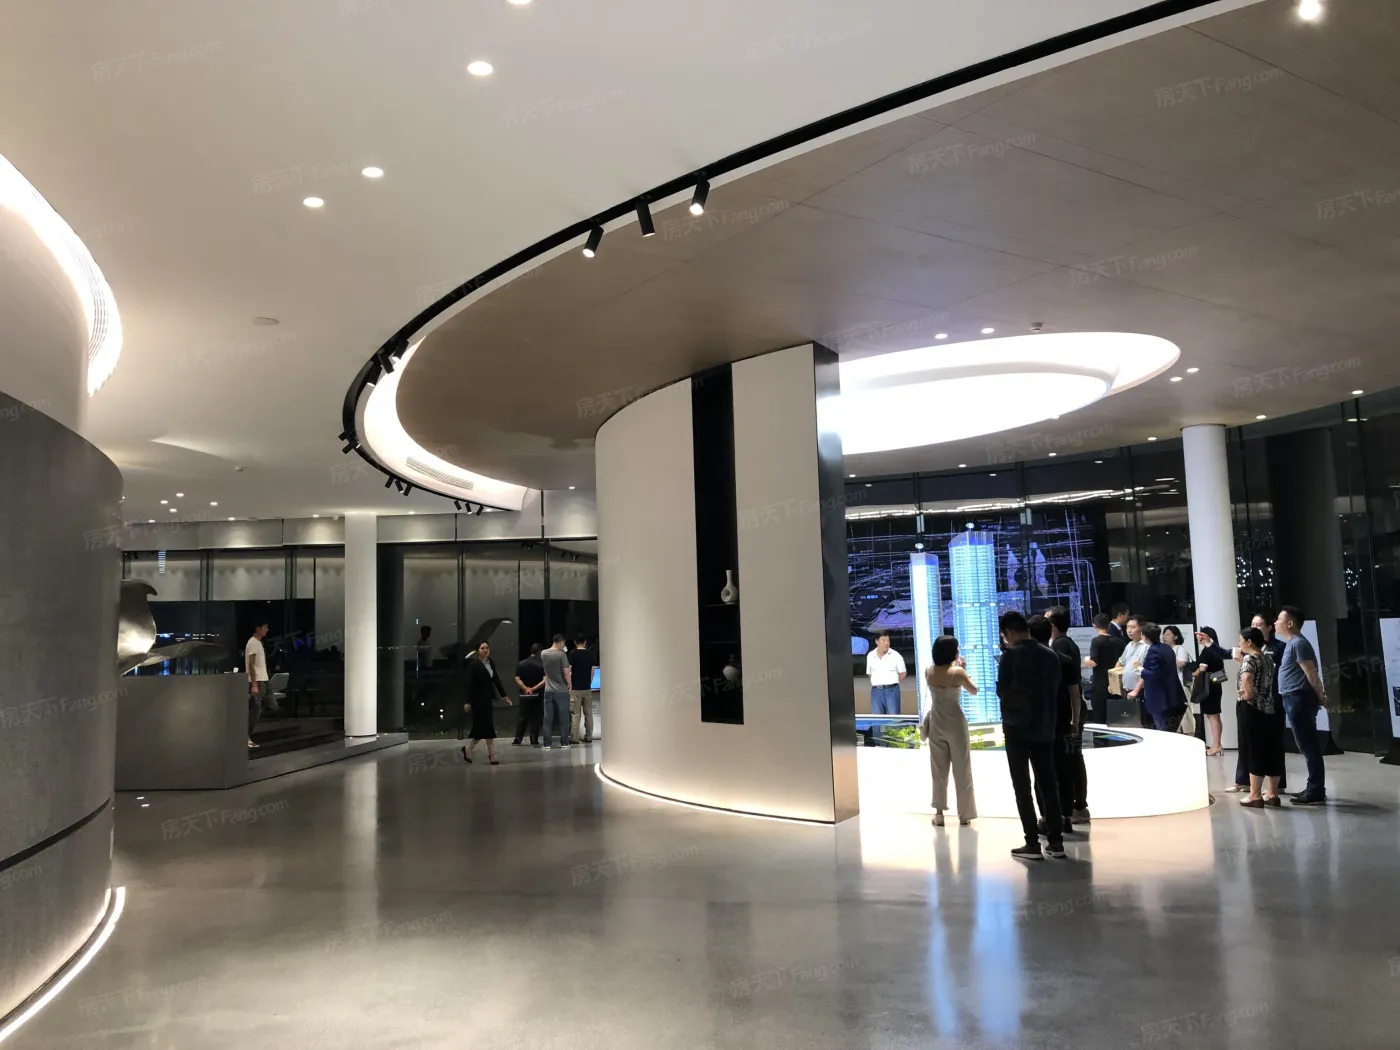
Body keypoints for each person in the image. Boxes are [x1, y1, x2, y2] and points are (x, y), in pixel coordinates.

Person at [997, 612, 1065, 861]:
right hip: (1045, 726)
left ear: (1008, 632)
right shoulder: (1050, 655)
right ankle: (1056, 842)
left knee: (1022, 786)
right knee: (1048, 784)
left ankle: (1032, 843)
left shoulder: (1010, 656)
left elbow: (1001, 690)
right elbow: (1055, 687)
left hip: (1016, 727)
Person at [918, 635, 977, 827]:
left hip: (936, 722)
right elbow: (974, 690)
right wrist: (964, 669)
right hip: (956, 724)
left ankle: (939, 813)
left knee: (938, 770)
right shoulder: (958, 672)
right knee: (962, 769)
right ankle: (965, 815)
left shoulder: (929, 671)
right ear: (953, 651)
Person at [1275, 606, 1328, 805]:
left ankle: (1315, 789)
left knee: (1309, 746)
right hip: (1293, 699)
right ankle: (1313, 787)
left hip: (1299, 699)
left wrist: (1321, 696)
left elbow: (1311, 674)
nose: (1275, 623)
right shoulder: (1293, 643)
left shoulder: (1299, 643)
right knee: (1306, 745)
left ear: (1290, 623)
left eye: (1279, 619)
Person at [1230, 614, 1288, 794]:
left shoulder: (1250, 658)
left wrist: (1247, 693)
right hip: (1267, 706)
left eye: (1241, 640)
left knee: (1252, 747)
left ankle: (1254, 793)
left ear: (1248, 642)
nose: (1239, 644)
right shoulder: (1267, 658)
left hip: (1251, 707)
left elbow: (1247, 677)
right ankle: (1272, 791)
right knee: (1270, 747)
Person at [1045, 606, 1088, 826]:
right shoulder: (1068, 643)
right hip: (1074, 708)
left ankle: (1076, 806)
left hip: (1069, 710)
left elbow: (1068, 685)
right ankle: (1078, 805)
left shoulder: (1059, 646)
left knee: (1070, 759)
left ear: (1053, 624)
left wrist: (1073, 717)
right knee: (1073, 756)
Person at [1128, 622, 1187, 731]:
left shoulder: (1153, 651)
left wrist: (1139, 668)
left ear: (1144, 636)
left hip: (1160, 699)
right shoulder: (1167, 648)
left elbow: (1152, 674)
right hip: (1173, 695)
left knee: (1163, 730)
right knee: (1170, 729)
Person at [461, 641, 511, 765]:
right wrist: (467, 701)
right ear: (478, 651)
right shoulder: (474, 665)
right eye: (482, 648)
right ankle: (489, 754)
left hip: (487, 699)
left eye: (487, 648)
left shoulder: (491, 663)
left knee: (484, 728)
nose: (485, 650)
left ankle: (470, 749)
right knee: (484, 727)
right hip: (477, 700)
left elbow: (496, 680)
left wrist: (504, 695)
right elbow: (470, 684)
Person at [1192, 626, 1228, 755]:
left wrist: (1194, 672)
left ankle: (1216, 744)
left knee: (1212, 716)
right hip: (1215, 685)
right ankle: (1217, 744)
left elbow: (1201, 669)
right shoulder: (1215, 651)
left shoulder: (1207, 651)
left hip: (1208, 687)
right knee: (1214, 715)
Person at [1084, 612, 1125, 725]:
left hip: (1100, 685)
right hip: (1116, 684)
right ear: (1109, 624)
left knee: (1100, 719)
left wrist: (1086, 660)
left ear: (1094, 625)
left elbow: (1094, 662)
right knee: (1116, 719)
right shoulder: (1120, 642)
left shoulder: (1096, 641)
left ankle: (1100, 737)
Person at [1115, 616, 1149, 726]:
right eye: (1127, 627)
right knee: (1128, 724)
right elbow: (1120, 662)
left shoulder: (1146, 646)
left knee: (1141, 723)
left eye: (1133, 627)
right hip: (1127, 691)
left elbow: (1146, 671)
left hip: (1140, 691)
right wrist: (1113, 682)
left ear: (1141, 628)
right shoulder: (1129, 645)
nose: (1129, 630)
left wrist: (1136, 690)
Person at [540, 634, 572, 751]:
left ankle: (547, 744)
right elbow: (566, 672)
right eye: (563, 643)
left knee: (547, 718)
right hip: (561, 690)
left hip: (548, 690)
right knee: (564, 718)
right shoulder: (561, 655)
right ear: (561, 642)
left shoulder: (543, 653)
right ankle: (564, 743)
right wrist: (570, 685)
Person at [512, 643, 545, 747]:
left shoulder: (522, 664)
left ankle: (518, 738)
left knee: (522, 716)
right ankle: (534, 739)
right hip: (537, 695)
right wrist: (534, 689)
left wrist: (526, 689)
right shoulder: (541, 665)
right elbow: (545, 680)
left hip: (524, 695)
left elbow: (517, 678)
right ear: (539, 652)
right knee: (535, 717)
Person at [866, 633, 907, 714]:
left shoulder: (896, 656)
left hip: (892, 690)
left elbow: (903, 673)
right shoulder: (870, 655)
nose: (886, 643)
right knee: (877, 718)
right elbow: (869, 673)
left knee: (893, 717)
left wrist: (891, 682)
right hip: (876, 691)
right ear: (877, 641)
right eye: (883, 640)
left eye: (888, 641)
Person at [244, 620, 270, 748]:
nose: (266, 630)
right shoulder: (253, 643)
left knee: (262, 708)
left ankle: (246, 736)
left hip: (262, 680)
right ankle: (245, 737)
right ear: (258, 628)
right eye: (265, 627)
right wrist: (254, 684)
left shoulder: (258, 643)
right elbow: (251, 664)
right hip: (257, 681)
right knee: (254, 711)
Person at [567, 636, 595, 744]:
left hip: (575, 688)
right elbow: (592, 670)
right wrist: (589, 682)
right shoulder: (590, 654)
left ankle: (574, 738)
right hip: (587, 688)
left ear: (575, 642)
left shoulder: (572, 654)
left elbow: (569, 669)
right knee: (588, 713)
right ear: (585, 642)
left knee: (575, 714)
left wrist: (569, 684)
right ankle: (589, 736)